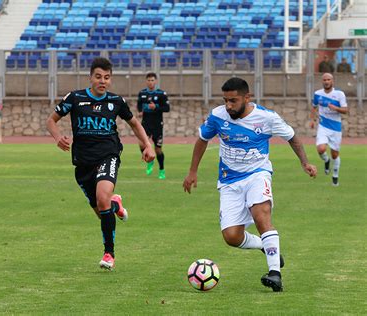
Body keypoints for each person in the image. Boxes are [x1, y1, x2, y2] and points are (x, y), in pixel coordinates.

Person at [183, 77, 317, 292]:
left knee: (261, 214)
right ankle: (266, 246)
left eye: (233, 101)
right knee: (232, 237)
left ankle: (275, 274)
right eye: (225, 100)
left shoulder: (266, 118)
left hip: (257, 174)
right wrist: (192, 171)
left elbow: (292, 138)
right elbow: (202, 139)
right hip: (228, 181)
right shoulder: (218, 116)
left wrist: (305, 163)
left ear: (247, 97)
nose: (228, 106)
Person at [46, 57, 155, 270]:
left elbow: (134, 124)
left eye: (106, 77)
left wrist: (148, 145)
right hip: (83, 162)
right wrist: (58, 137)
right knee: (101, 209)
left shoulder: (116, 102)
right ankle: (115, 204)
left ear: (110, 79)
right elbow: (51, 120)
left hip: (108, 155)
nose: (102, 81)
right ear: (90, 77)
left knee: (102, 198)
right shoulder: (74, 98)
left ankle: (109, 254)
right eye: (98, 77)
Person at [310, 73, 348, 186]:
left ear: (332, 81)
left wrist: (335, 108)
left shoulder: (339, 94)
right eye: (324, 80)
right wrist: (312, 120)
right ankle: (326, 161)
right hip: (323, 126)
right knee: (321, 149)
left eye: (328, 79)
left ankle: (335, 176)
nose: (326, 81)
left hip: (336, 128)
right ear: (322, 81)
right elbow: (314, 107)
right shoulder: (317, 94)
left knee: (335, 154)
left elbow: (345, 110)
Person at [137, 72, 170, 179]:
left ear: (155, 81)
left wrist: (155, 107)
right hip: (145, 123)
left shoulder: (161, 94)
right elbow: (139, 106)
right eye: (149, 80)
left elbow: (167, 108)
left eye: (152, 80)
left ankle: (161, 169)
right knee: (142, 144)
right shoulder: (142, 93)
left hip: (157, 124)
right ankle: (150, 162)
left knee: (158, 149)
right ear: (146, 81)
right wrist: (140, 111)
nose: (150, 82)